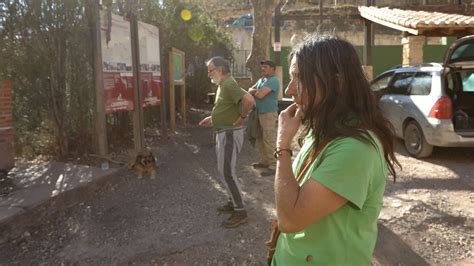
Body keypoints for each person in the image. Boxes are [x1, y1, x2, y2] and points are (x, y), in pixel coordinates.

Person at [271, 34, 400, 265]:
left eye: (299, 79)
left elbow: (290, 220)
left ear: (336, 83)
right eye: (291, 78)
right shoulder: (324, 130)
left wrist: (282, 146)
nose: (289, 90)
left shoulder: (354, 148)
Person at [199, 56, 255, 228]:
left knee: (227, 172)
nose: (209, 75)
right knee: (225, 170)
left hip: (229, 133)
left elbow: (249, 101)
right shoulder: (224, 85)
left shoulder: (228, 84)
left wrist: (242, 117)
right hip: (224, 132)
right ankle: (233, 202)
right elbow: (226, 108)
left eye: (211, 71)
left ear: (221, 70)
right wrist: (212, 118)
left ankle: (240, 211)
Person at [248, 60, 280, 176]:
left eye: (265, 67)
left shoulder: (274, 80)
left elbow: (260, 95)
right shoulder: (262, 80)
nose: (263, 69)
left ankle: (273, 165)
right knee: (260, 137)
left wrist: (255, 91)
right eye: (262, 67)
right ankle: (264, 161)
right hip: (259, 112)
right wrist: (256, 91)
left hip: (268, 113)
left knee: (269, 138)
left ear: (273, 69)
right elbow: (250, 90)